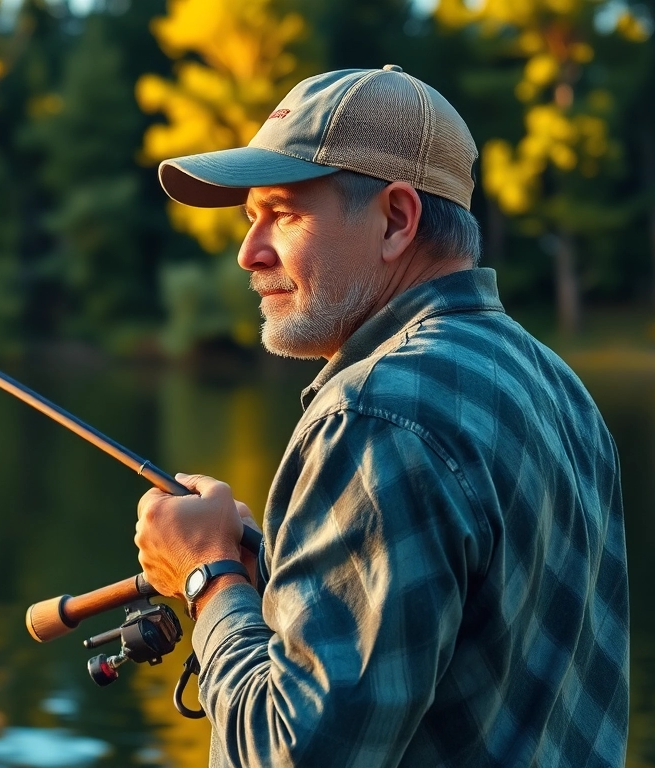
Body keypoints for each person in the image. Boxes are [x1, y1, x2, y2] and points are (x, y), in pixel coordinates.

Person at [133, 66, 629, 766]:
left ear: (396, 219)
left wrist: (207, 576)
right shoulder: (559, 388)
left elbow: (290, 754)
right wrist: (265, 578)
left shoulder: (374, 415)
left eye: (284, 212)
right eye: (251, 218)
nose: (250, 251)